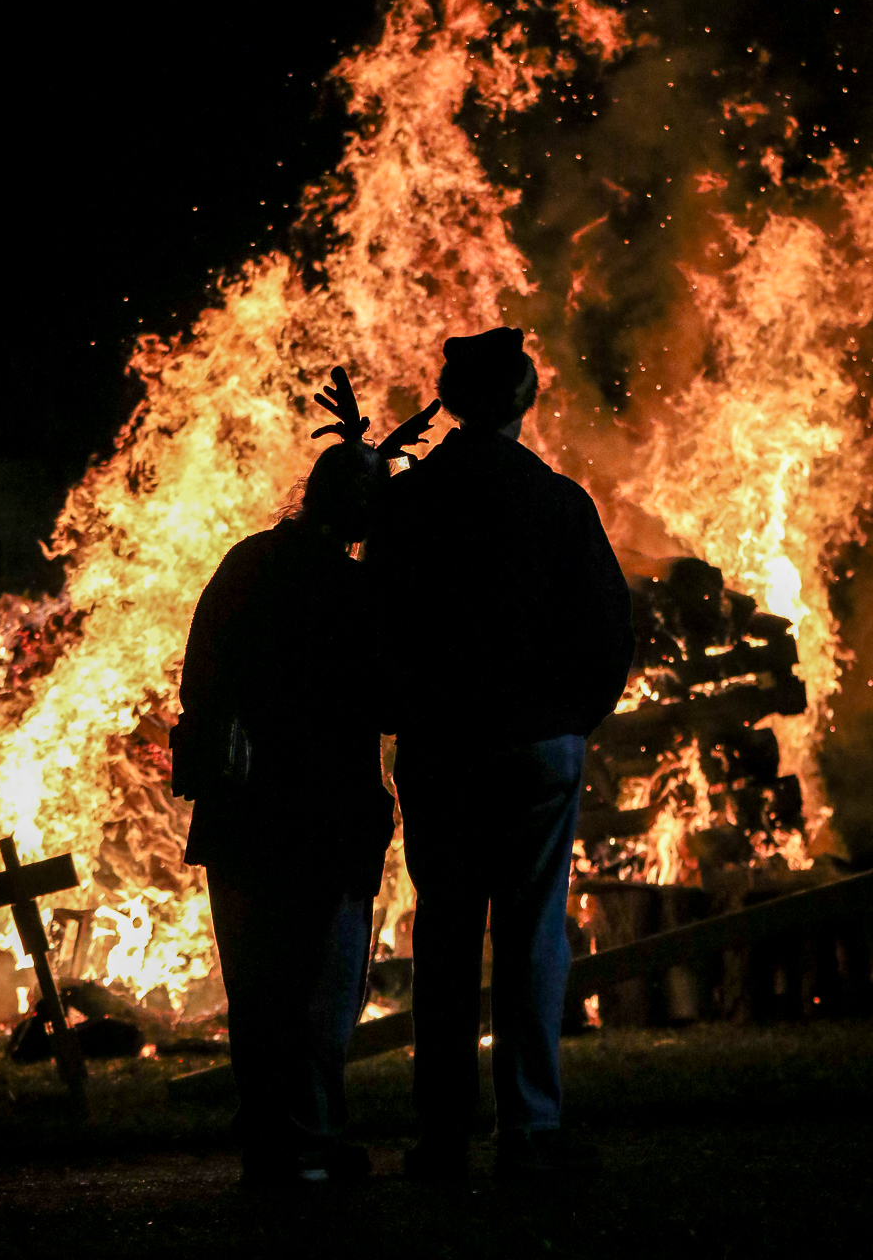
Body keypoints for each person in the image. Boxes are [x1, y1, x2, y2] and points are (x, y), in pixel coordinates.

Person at [365, 326, 635, 1180]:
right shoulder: (556, 502)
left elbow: (376, 626)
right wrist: (572, 721)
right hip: (535, 747)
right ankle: (531, 1129)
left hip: (441, 745)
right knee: (531, 937)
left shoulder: (407, 505)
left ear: (451, 402)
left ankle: (443, 1135)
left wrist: (401, 715)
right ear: (524, 400)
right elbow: (607, 629)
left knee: (445, 933)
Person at [170, 368, 439, 1185]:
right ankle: (311, 1143)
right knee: (321, 990)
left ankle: (269, 1144)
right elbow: (392, 700)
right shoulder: (358, 591)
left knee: (257, 990)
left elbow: (199, 681)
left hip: (241, 817)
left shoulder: (245, 564)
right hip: (325, 820)